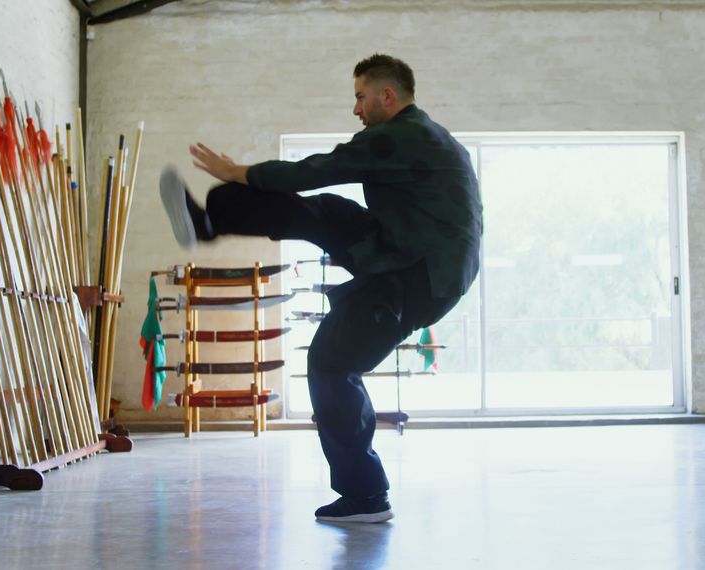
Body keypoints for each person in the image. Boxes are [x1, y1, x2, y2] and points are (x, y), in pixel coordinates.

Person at [159, 54, 482, 523]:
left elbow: (318, 168)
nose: (356, 109)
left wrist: (240, 172)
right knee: (327, 211)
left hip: (416, 276)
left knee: (331, 364)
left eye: (360, 97)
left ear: (386, 96)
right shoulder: (425, 138)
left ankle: (367, 497)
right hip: (404, 252)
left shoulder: (401, 137)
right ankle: (208, 221)